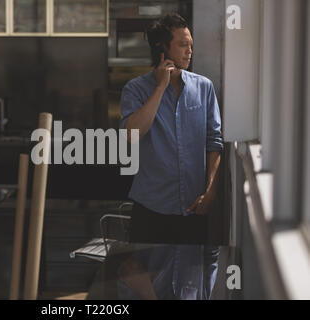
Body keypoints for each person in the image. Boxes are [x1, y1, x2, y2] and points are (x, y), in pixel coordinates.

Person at [117, 13, 223, 300]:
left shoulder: (204, 88)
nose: (190, 51)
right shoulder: (136, 89)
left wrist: (211, 191)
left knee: (191, 288)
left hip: (193, 210)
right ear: (163, 49)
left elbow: (215, 143)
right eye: (182, 45)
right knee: (143, 286)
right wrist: (161, 86)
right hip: (150, 210)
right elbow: (132, 134)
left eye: (191, 44)